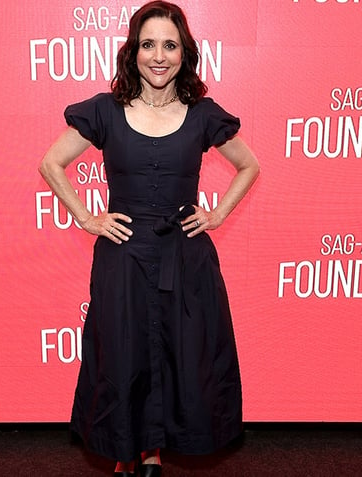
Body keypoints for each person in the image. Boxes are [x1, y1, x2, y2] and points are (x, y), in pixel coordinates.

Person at [39, 1, 259, 475]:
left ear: (184, 53)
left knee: (180, 355)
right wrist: (87, 218)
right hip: (123, 257)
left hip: (185, 258)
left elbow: (249, 165)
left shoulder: (203, 114)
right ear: (133, 51)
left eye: (170, 45)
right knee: (123, 354)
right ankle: (126, 450)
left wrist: (217, 214)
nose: (158, 55)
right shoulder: (104, 110)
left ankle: (154, 450)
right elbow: (50, 163)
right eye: (148, 44)